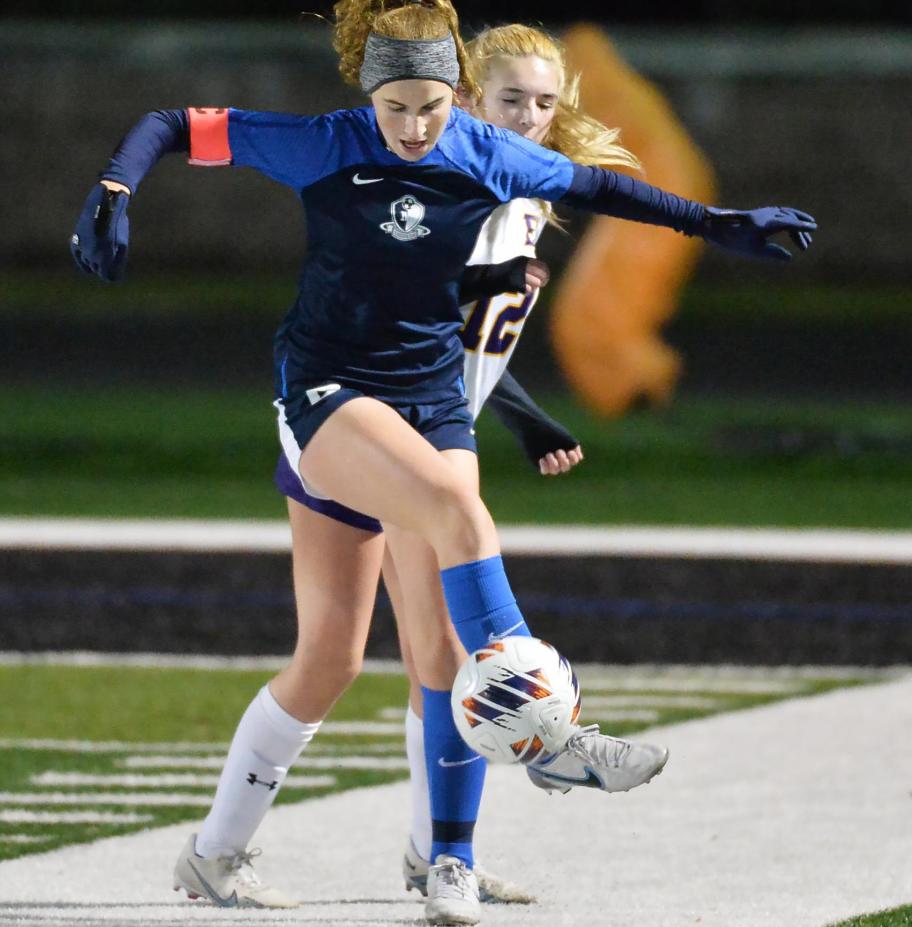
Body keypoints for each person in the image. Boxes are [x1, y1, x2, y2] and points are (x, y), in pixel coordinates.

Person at [70, 1, 816, 922]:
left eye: (433, 108)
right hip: (329, 396)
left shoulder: (483, 151)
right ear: (370, 93)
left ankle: (370, 861)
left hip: (430, 406)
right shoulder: (322, 143)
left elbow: (605, 190)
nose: (419, 128)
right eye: (400, 109)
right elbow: (172, 125)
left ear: (453, 97)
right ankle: (555, 734)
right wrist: (115, 187)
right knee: (460, 522)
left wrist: (720, 224)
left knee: (377, 658)